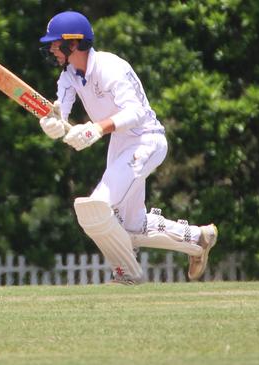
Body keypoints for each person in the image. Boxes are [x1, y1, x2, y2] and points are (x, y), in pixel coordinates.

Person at [38, 11, 218, 284]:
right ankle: (198, 238)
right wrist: (53, 124)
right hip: (121, 143)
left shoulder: (111, 67)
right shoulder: (69, 75)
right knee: (133, 225)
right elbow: (59, 111)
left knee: (96, 207)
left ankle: (126, 274)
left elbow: (135, 113)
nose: (51, 49)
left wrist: (95, 128)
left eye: (55, 43)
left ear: (73, 43)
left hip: (146, 140)